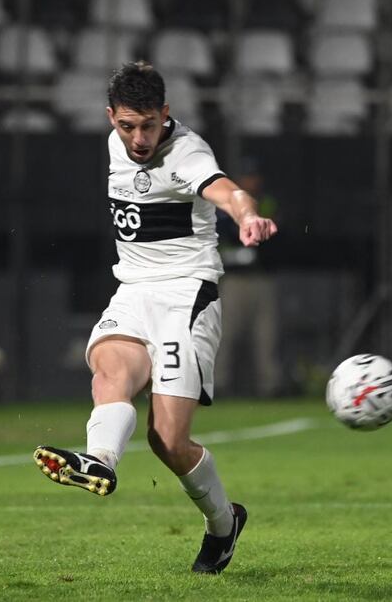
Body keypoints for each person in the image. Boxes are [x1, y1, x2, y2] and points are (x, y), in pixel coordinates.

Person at [32, 61, 277, 573]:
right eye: (127, 126)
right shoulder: (114, 142)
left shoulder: (186, 151)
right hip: (133, 290)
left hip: (187, 295)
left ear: (166, 114)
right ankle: (99, 460)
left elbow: (226, 190)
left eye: (149, 124)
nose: (139, 138)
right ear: (111, 119)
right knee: (109, 373)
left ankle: (224, 523)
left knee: (167, 440)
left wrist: (247, 214)